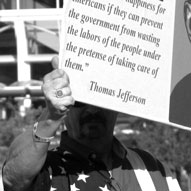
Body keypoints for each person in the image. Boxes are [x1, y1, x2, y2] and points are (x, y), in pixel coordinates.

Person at [2, 57, 181, 191]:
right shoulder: (47, 169)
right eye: (79, 101)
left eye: (101, 100)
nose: (92, 110)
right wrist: (50, 116)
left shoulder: (151, 167)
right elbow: (12, 177)